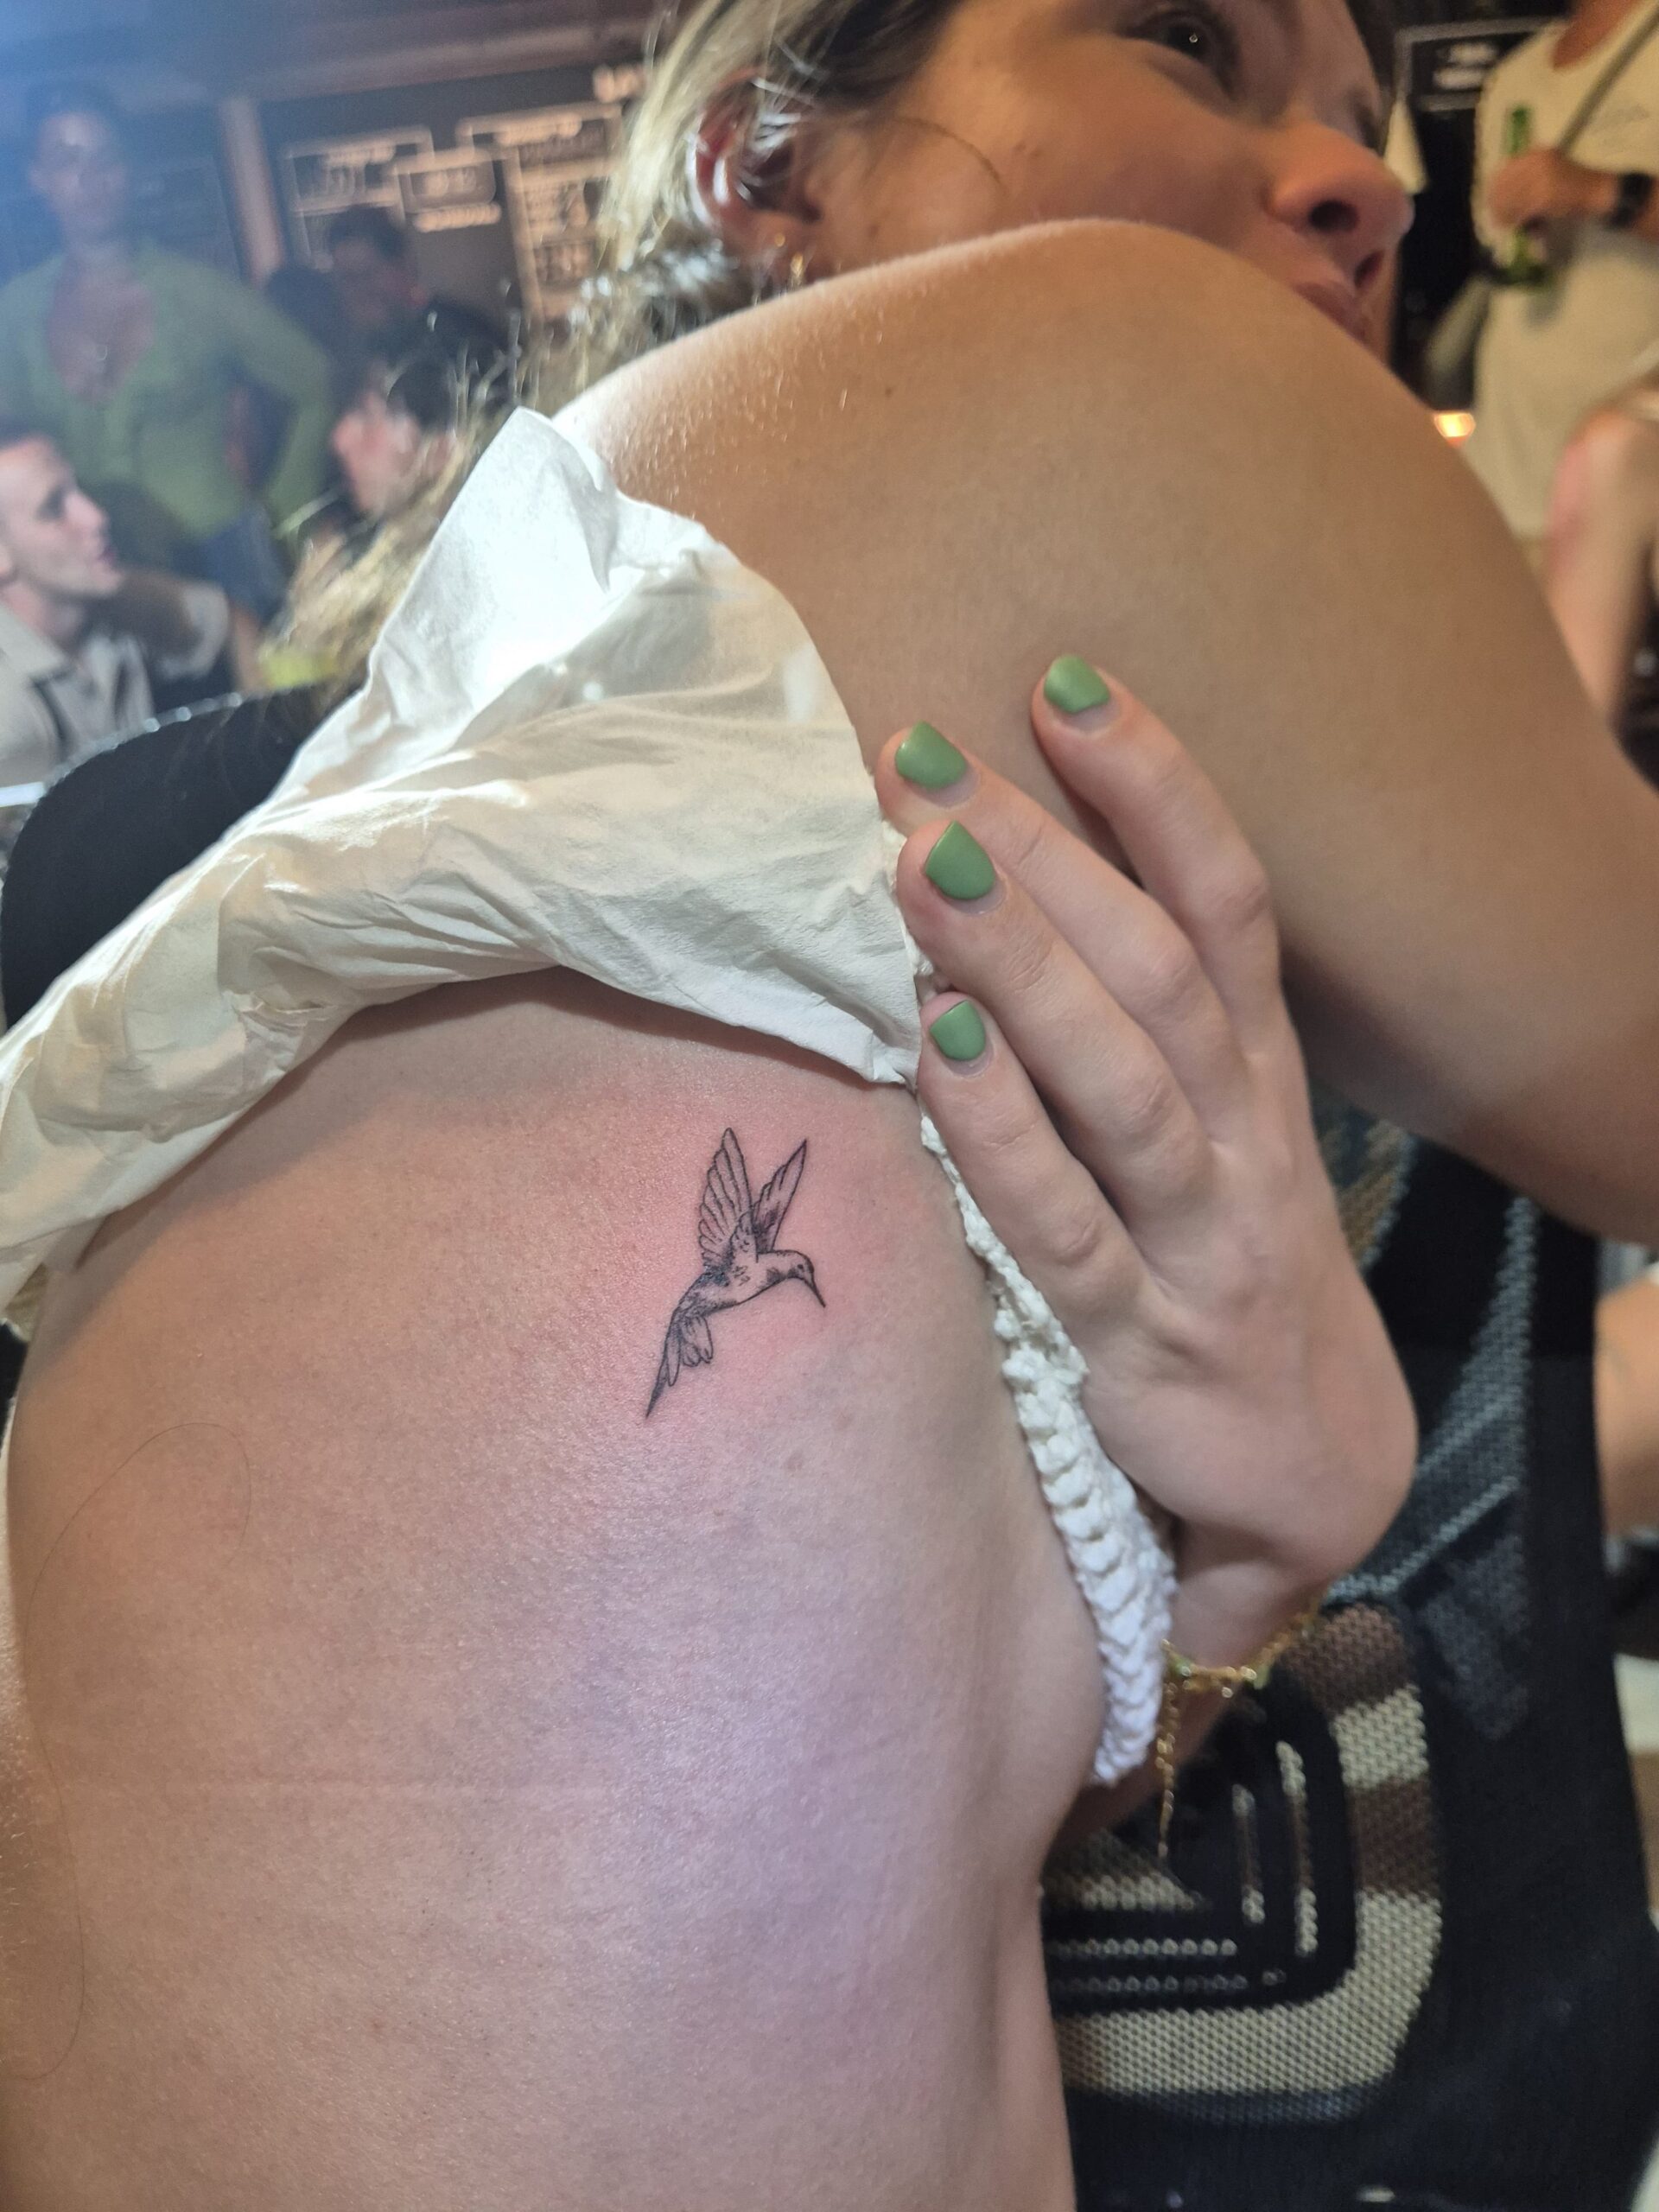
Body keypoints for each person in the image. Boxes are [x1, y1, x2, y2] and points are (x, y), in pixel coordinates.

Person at [3, 5, 1659, 2212]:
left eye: (1375, 128)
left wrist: (1231, 1579)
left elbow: (803, 1888)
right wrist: (1604, 525)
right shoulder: (1116, 366)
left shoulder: (292, 828)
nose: (1364, 182)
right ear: (766, 164)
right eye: (1186, 43)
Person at [0, 83, 334, 623]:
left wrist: (283, 511)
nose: (91, 175)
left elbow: (317, 382)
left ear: (130, 167)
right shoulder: (12, 312)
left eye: (107, 155)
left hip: (220, 559)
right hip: (87, 571)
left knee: (258, 679)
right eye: (67, 159)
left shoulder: (200, 292)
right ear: (38, 178)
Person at [1463, 0, 1659, 548]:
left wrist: (1602, 192)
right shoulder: (1512, 76)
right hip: (1506, 478)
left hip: (1635, 496)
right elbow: (1496, 240)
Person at [0, 420, 257, 790]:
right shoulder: (9, 714)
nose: (96, 517)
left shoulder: (116, 603)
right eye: (54, 508)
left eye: (81, 489)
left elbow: (228, 618)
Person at [326, 203, 509, 365]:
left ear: (403, 265)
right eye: (348, 279)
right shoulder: (349, 352)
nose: (360, 291)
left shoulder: (462, 335)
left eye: (368, 275)